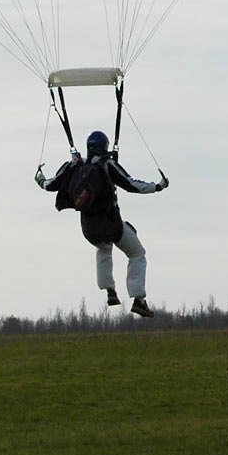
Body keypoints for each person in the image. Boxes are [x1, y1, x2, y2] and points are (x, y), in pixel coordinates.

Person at [36, 130, 169, 317]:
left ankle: (110, 291)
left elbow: (50, 185)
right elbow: (131, 184)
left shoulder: (74, 166)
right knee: (137, 253)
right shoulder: (107, 165)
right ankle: (138, 300)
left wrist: (39, 178)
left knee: (104, 249)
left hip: (89, 229)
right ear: (105, 147)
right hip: (111, 224)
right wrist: (157, 186)